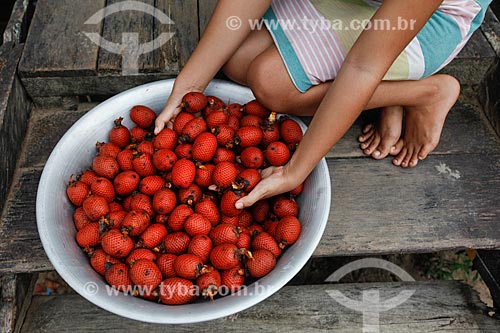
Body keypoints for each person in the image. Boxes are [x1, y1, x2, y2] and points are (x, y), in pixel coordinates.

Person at [154, 0, 491, 209]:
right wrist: (189, 86)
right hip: (364, 7)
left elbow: (363, 66)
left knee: (272, 82)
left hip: (429, 20)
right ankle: (394, 87)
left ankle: (426, 92)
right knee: (238, 60)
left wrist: (294, 170)